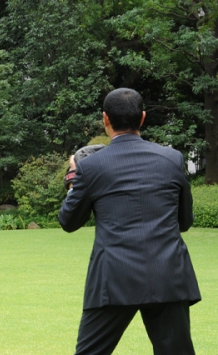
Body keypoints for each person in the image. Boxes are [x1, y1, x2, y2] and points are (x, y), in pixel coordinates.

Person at [59, 88, 201, 355]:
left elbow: (68, 221)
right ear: (143, 118)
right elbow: (185, 221)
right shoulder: (172, 160)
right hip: (167, 275)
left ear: (105, 119)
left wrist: (73, 177)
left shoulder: (90, 167)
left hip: (113, 278)